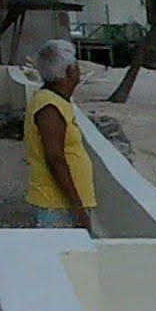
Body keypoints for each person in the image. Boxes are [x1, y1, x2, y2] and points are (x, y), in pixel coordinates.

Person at [24, 39, 96, 232]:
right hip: (56, 205)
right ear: (69, 71)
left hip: (62, 204)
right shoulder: (49, 106)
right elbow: (55, 158)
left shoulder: (57, 101)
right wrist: (77, 207)